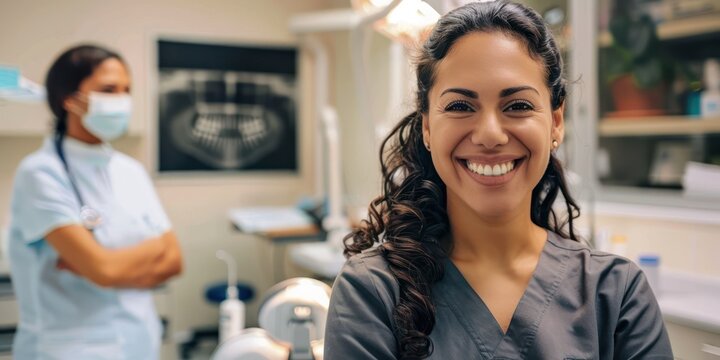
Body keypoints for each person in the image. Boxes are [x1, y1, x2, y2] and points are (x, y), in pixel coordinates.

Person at [324, 2, 673, 359]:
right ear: (427, 127)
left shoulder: (615, 294)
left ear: (555, 122)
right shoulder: (373, 293)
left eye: (518, 105)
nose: (490, 135)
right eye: (461, 106)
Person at [7, 44, 183, 359]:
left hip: (139, 342)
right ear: (69, 99)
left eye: (126, 90)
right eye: (108, 90)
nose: (122, 100)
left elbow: (173, 261)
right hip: (70, 348)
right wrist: (147, 251)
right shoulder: (40, 173)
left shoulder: (131, 171)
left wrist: (104, 266)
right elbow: (105, 270)